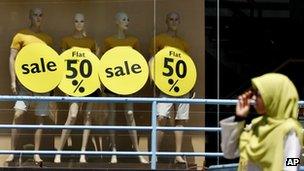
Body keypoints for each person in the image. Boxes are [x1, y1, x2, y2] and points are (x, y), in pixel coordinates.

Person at [220, 73, 303, 171]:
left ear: (273, 97)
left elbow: (291, 165)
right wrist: (239, 118)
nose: (253, 98)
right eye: (253, 93)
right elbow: (229, 152)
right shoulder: (255, 126)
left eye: (258, 95)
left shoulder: (291, 130)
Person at [54, 13, 104, 163]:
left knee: (88, 117)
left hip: (90, 83)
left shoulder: (91, 42)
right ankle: (60, 152)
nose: (79, 24)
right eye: (76, 21)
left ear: (85, 23)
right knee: (73, 115)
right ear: (73, 22)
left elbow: (97, 63)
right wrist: (64, 86)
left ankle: (83, 153)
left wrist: (98, 85)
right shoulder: (66, 40)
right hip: (73, 84)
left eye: (82, 21)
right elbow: (62, 64)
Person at [7, 8, 53, 164]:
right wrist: (13, 80)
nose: (38, 17)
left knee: (40, 119)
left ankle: (36, 154)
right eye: (35, 14)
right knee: (18, 114)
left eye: (41, 15)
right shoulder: (20, 35)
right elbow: (12, 58)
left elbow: (51, 62)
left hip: (42, 86)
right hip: (25, 85)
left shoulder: (47, 38)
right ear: (30, 16)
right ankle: (12, 153)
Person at [102, 12, 148, 164]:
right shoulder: (108, 40)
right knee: (112, 113)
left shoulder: (133, 41)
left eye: (128, 19)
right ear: (116, 21)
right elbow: (101, 61)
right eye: (123, 19)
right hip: (111, 82)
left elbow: (139, 63)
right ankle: (113, 150)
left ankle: (137, 150)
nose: (127, 21)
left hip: (128, 82)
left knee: (129, 113)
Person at [149, 11, 194, 163]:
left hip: (182, 86)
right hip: (164, 86)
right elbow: (152, 61)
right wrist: (153, 81)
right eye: (171, 19)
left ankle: (178, 155)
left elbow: (187, 67)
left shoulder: (184, 43)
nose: (174, 22)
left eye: (176, 19)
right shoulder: (158, 39)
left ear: (179, 22)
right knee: (161, 118)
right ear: (166, 22)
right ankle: (154, 154)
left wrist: (191, 85)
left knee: (180, 119)